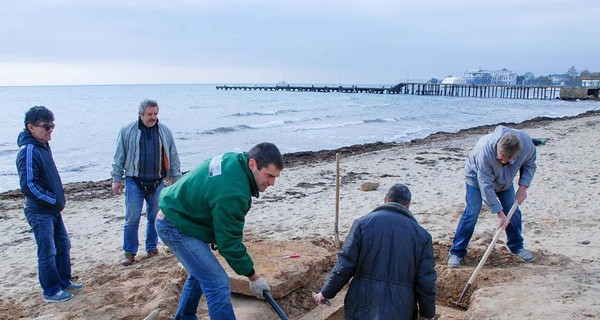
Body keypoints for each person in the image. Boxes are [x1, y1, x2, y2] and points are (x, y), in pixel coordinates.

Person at [156, 142, 283, 319]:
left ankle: (185, 317)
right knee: (217, 283)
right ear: (252, 164)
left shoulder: (236, 161)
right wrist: (253, 277)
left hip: (187, 216)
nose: (272, 183)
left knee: (202, 272)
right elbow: (229, 244)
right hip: (176, 224)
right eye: (268, 175)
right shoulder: (234, 193)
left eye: (275, 177)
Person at [314, 183, 436, 320]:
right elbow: (426, 280)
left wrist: (326, 292)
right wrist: (428, 313)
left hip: (362, 304)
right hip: (400, 309)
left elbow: (345, 265)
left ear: (385, 199)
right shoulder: (423, 236)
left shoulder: (362, 224)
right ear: (408, 205)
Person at [16, 106, 84, 303]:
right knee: (47, 252)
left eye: (52, 125)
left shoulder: (43, 146)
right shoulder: (28, 151)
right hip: (40, 211)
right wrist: (53, 200)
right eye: (46, 126)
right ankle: (51, 291)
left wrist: (58, 201)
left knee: (63, 246)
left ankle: (64, 281)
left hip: (53, 210)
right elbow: (28, 186)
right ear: (31, 127)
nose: (50, 129)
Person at [448, 125, 537, 268]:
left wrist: (523, 188)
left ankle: (516, 246)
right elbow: (486, 187)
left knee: (512, 212)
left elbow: (530, 164)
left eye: (508, 160)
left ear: (517, 153)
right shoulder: (484, 152)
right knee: (472, 211)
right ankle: (457, 252)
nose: (503, 162)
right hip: (476, 179)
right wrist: (499, 213)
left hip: (505, 182)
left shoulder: (526, 144)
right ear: (498, 147)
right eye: (501, 158)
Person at [111, 99, 181, 266]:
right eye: (149, 114)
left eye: (155, 114)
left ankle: (152, 248)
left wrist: (177, 180)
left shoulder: (164, 131)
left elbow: (173, 156)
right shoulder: (127, 131)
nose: (153, 117)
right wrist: (116, 179)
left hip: (158, 181)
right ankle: (129, 253)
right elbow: (119, 156)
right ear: (140, 114)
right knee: (132, 218)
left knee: (154, 217)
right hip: (134, 181)